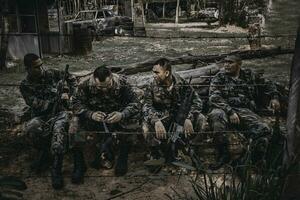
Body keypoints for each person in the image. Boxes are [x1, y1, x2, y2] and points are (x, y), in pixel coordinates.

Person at [208, 55, 280, 168]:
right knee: (217, 117)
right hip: (223, 108)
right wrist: (230, 112)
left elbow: (268, 83)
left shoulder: (248, 74)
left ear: (239, 64)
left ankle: (250, 158)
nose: (226, 65)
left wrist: (274, 97)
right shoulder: (219, 77)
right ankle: (223, 154)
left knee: (264, 129)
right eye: (225, 62)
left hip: (244, 110)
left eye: (230, 62)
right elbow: (214, 97)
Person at [72, 65, 140, 180]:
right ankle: (79, 163)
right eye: (100, 87)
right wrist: (90, 114)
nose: (104, 90)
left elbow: (136, 103)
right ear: (94, 79)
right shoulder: (84, 85)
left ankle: (123, 155)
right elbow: (75, 104)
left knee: (133, 119)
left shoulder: (123, 82)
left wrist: (122, 114)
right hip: (94, 118)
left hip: (117, 117)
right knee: (74, 124)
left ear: (112, 77)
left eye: (108, 86)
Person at [20, 53, 77, 189]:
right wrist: (55, 99)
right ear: (27, 69)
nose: (40, 69)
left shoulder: (52, 73)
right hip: (41, 115)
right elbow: (36, 104)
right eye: (35, 67)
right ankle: (45, 152)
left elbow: (72, 78)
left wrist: (69, 96)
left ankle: (56, 169)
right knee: (31, 130)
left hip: (60, 112)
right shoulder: (25, 85)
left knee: (59, 130)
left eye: (41, 65)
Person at [142, 58, 206, 169]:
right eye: (153, 72)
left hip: (179, 118)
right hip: (162, 118)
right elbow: (146, 106)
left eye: (156, 72)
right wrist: (155, 120)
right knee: (145, 125)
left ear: (167, 73)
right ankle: (155, 152)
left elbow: (197, 101)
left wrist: (189, 118)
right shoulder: (151, 85)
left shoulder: (181, 83)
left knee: (201, 119)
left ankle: (192, 149)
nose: (153, 75)